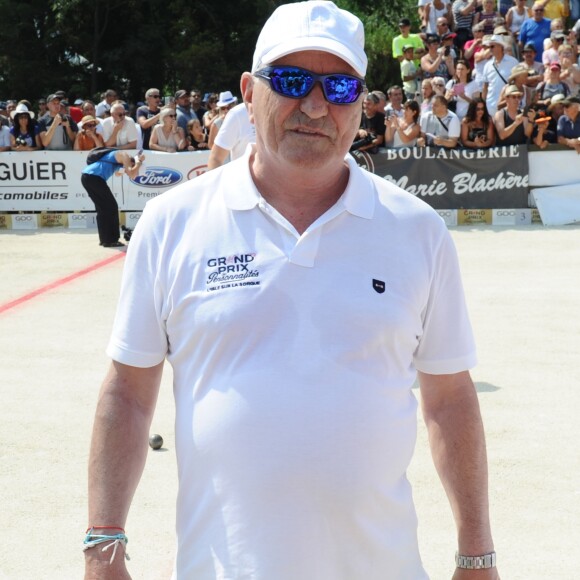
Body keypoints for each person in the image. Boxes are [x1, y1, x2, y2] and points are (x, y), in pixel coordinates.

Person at [84, 2, 498, 579]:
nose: (314, 105)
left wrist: (476, 555)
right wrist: (103, 548)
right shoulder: (172, 222)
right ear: (250, 94)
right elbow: (128, 394)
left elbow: (450, 400)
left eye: (339, 86)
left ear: (363, 101)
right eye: (291, 81)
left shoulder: (417, 229)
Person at [81, 150, 144, 247]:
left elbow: (118, 174)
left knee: (103, 209)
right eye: (132, 166)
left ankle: (105, 240)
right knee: (111, 207)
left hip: (87, 176)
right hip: (94, 177)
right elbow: (132, 174)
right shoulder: (124, 155)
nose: (130, 168)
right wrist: (139, 163)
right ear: (131, 162)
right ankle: (111, 240)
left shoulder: (120, 160)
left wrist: (126, 168)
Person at [206, 102, 255, 168]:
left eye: (228, 107)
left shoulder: (237, 115)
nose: (226, 110)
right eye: (223, 108)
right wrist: (225, 147)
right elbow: (212, 148)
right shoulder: (217, 123)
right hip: (226, 160)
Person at [481, 35, 519, 115]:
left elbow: (518, 83)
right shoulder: (487, 65)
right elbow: (485, 87)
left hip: (508, 104)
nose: (490, 49)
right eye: (489, 47)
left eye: (492, 46)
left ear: (500, 46)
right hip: (491, 105)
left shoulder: (513, 62)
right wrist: (484, 103)